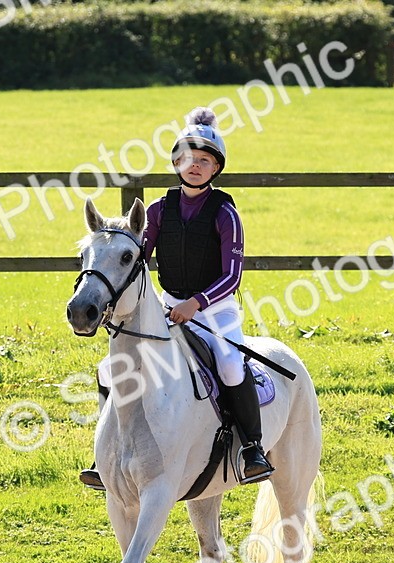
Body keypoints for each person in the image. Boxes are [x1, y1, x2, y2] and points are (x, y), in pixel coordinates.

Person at [80, 106, 274, 490]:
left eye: (205, 161)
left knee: (231, 365)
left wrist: (196, 304)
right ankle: (107, 458)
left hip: (216, 311)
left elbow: (232, 275)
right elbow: (135, 261)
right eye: (187, 158)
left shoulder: (225, 213)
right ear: (175, 162)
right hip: (167, 306)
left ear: (216, 169)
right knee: (109, 371)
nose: (195, 166)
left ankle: (252, 449)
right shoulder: (156, 211)